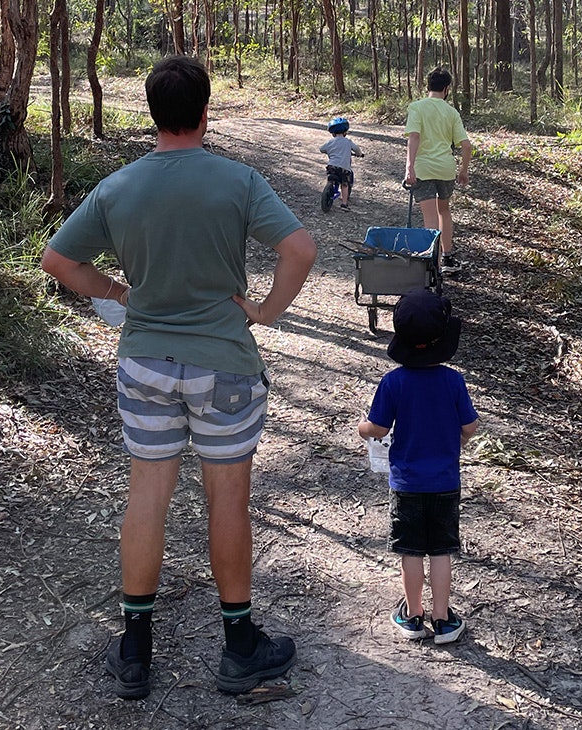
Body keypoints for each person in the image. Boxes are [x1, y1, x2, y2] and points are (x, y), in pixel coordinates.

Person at [40, 55, 317, 700]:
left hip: (144, 362)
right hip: (224, 362)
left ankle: (135, 648)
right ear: (204, 109)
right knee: (228, 501)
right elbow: (299, 249)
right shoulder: (239, 181)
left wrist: (115, 289)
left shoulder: (120, 186)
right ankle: (239, 645)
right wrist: (266, 312)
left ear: (152, 109)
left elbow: (58, 258)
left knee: (148, 496)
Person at [357, 288, 479, 644]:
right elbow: (470, 426)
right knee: (441, 549)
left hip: (407, 482)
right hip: (445, 480)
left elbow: (377, 429)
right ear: (441, 340)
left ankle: (412, 615)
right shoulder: (453, 381)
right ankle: (442, 618)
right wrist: (458, 441)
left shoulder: (393, 382)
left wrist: (361, 428)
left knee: (410, 550)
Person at [403, 67, 473, 272]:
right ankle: (448, 258)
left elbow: (414, 137)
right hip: (445, 169)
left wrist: (409, 167)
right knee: (444, 210)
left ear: (428, 86)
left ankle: (431, 262)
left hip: (423, 168)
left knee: (429, 215)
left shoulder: (416, 107)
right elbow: (466, 145)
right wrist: (463, 171)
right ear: (447, 88)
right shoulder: (451, 112)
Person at [320, 116, 363, 210]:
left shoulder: (331, 142)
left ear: (332, 133)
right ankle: (344, 204)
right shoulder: (348, 142)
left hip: (332, 166)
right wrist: (359, 154)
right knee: (345, 184)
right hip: (344, 168)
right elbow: (356, 149)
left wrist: (328, 151)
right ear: (345, 132)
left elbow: (321, 149)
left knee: (331, 177)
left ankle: (329, 187)